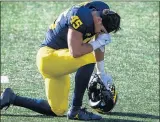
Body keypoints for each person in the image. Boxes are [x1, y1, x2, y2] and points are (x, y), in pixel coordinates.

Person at [0, 1, 120, 121]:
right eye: (102, 30)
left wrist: (101, 72)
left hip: (59, 61)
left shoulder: (101, 11)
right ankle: (76, 110)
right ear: (99, 20)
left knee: (57, 110)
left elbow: (98, 44)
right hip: (48, 57)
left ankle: (11, 97)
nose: (100, 33)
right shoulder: (81, 16)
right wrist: (98, 42)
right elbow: (76, 52)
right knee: (88, 57)